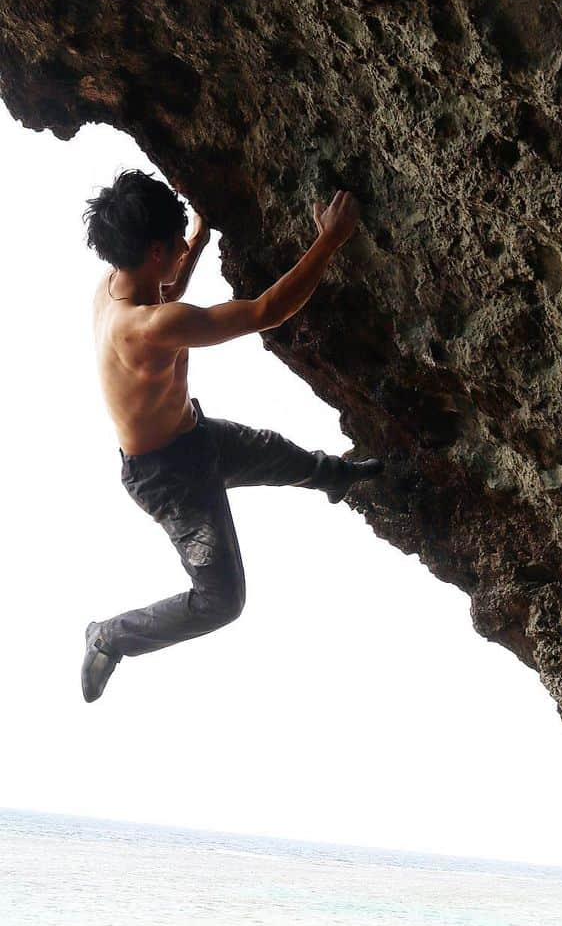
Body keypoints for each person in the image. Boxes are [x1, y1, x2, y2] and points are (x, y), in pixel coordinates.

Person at [80, 168, 382, 702]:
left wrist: (196, 237)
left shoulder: (115, 287)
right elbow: (266, 312)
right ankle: (109, 637)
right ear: (153, 251)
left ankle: (338, 476)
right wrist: (329, 239)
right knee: (222, 601)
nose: (180, 252)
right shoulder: (145, 328)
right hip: (169, 479)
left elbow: (165, 290)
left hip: (191, 438)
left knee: (273, 453)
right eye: (173, 245)